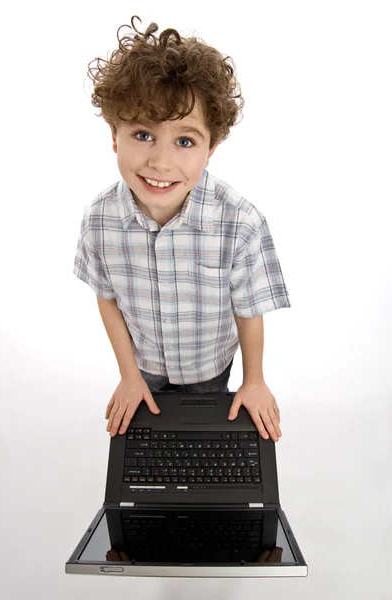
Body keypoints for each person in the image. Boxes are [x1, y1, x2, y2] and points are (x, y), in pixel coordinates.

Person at [74, 15, 291, 443]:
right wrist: (128, 376)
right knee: (150, 446)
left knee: (202, 439)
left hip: (209, 366)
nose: (160, 162)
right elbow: (107, 298)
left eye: (185, 141)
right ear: (114, 134)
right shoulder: (99, 220)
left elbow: (249, 310)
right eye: (142, 134)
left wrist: (254, 381)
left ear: (211, 148)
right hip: (147, 366)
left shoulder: (240, 223)